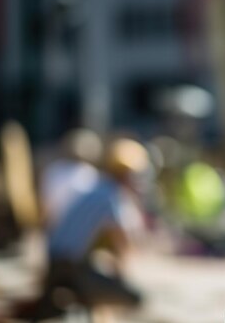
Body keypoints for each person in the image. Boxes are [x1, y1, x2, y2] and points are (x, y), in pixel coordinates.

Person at [30, 136, 149, 321]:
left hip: (56, 261)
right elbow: (123, 242)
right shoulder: (112, 196)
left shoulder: (95, 187)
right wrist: (121, 273)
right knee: (136, 297)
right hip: (70, 268)